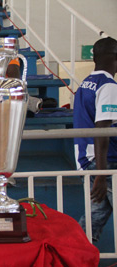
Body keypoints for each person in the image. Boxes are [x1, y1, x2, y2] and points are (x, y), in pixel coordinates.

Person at [74, 37, 117, 242]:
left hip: (89, 158)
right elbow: (102, 130)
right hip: (104, 162)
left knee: (95, 218)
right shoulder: (108, 86)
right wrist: (101, 174)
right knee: (95, 216)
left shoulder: (86, 83)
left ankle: (76, 255)